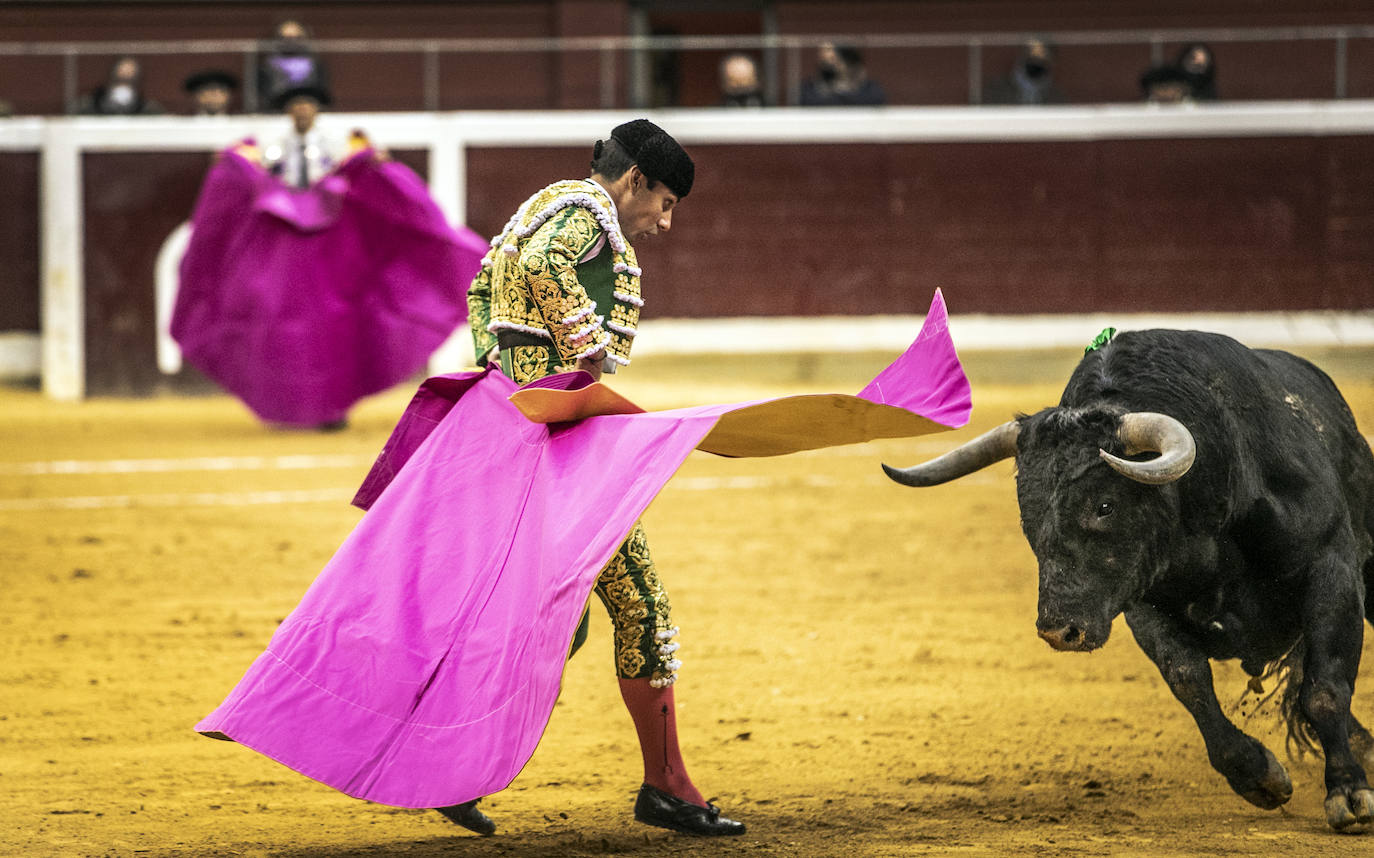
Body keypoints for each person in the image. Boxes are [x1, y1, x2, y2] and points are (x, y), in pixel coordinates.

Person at [456, 119, 745, 838]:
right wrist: (581, 361)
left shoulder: (540, 202)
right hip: (562, 443)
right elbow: (542, 268)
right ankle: (667, 788)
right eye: (665, 202)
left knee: (554, 615)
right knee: (640, 605)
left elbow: (481, 292)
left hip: (522, 432)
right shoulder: (585, 214)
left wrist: (505, 376)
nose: (665, 222)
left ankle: (455, 764)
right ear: (635, 181)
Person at [261, 85, 340, 189]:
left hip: (320, 198)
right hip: (287, 198)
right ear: (289, 111)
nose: (303, 110)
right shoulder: (277, 146)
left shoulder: (332, 146)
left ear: (316, 110)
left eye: (307, 106)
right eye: (298, 105)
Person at [257, 19, 330, 113]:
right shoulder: (269, 64)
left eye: (296, 37)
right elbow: (264, 91)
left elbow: (321, 87)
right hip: (277, 109)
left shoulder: (314, 63)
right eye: (286, 38)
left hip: (308, 108)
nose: (291, 42)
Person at [982, 37, 1066, 105]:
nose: (1036, 62)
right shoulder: (997, 91)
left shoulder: (1055, 96)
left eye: (1041, 58)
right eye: (1032, 56)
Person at [70, 55, 163, 116]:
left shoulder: (148, 108)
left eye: (130, 74)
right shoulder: (88, 104)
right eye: (121, 73)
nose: (125, 75)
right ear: (112, 75)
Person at [799, 42, 885, 106]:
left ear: (848, 61)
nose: (828, 65)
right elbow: (806, 101)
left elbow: (876, 100)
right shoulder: (808, 88)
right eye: (824, 60)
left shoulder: (869, 88)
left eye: (834, 60)